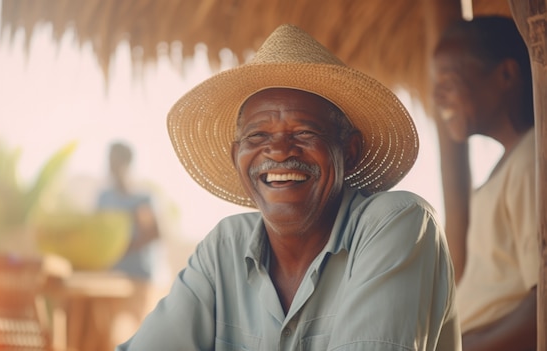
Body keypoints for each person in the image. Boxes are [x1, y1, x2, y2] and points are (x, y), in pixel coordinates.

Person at [117, 24, 460, 350]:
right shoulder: (225, 248)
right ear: (238, 156)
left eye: (305, 133)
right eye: (258, 136)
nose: (279, 151)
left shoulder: (397, 224)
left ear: (349, 151)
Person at [432, 16, 538, 350]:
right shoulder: (511, 165)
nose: (436, 95)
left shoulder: (531, 162)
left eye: (448, 80)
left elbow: (542, 305)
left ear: (506, 75)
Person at [97, 141, 162, 328]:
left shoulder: (140, 198)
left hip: (139, 276)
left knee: (140, 330)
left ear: (126, 162)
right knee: (107, 331)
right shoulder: (104, 198)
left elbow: (153, 232)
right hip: (112, 276)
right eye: (109, 160)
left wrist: (124, 247)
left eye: (115, 160)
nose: (111, 165)